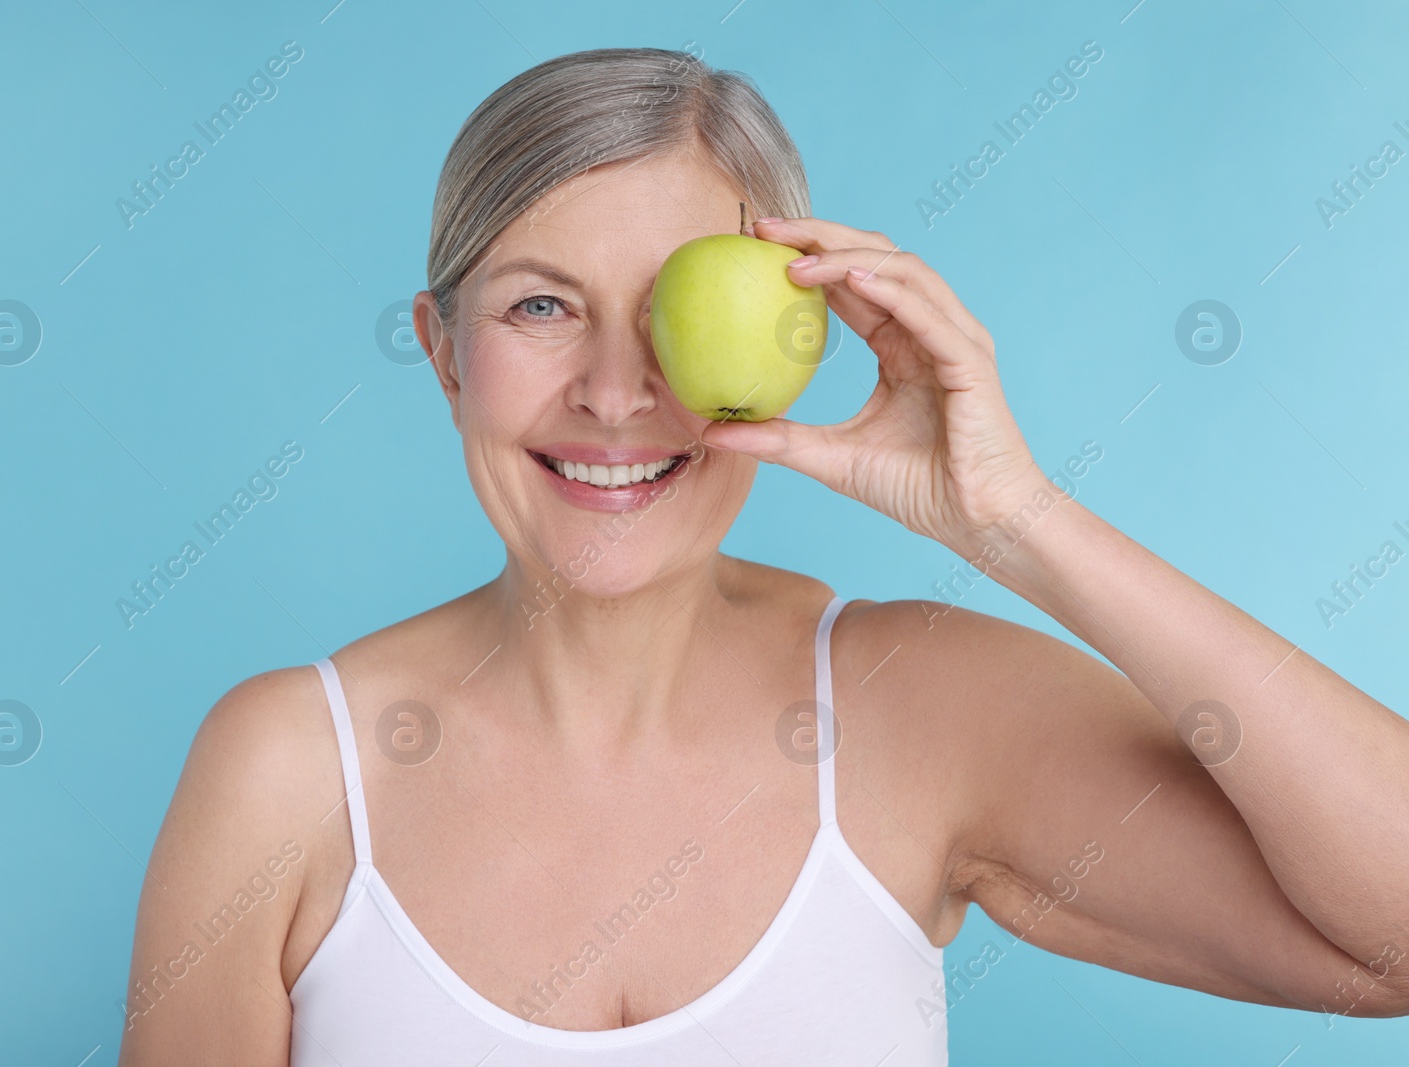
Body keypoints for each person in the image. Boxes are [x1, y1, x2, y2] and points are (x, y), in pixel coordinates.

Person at [117, 47, 1409, 1066]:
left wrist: (1017, 520)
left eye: (682, 302)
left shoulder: (918, 707)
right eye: (542, 306)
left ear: (804, 332)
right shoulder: (287, 767)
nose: (617, 394)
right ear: (445, 349)